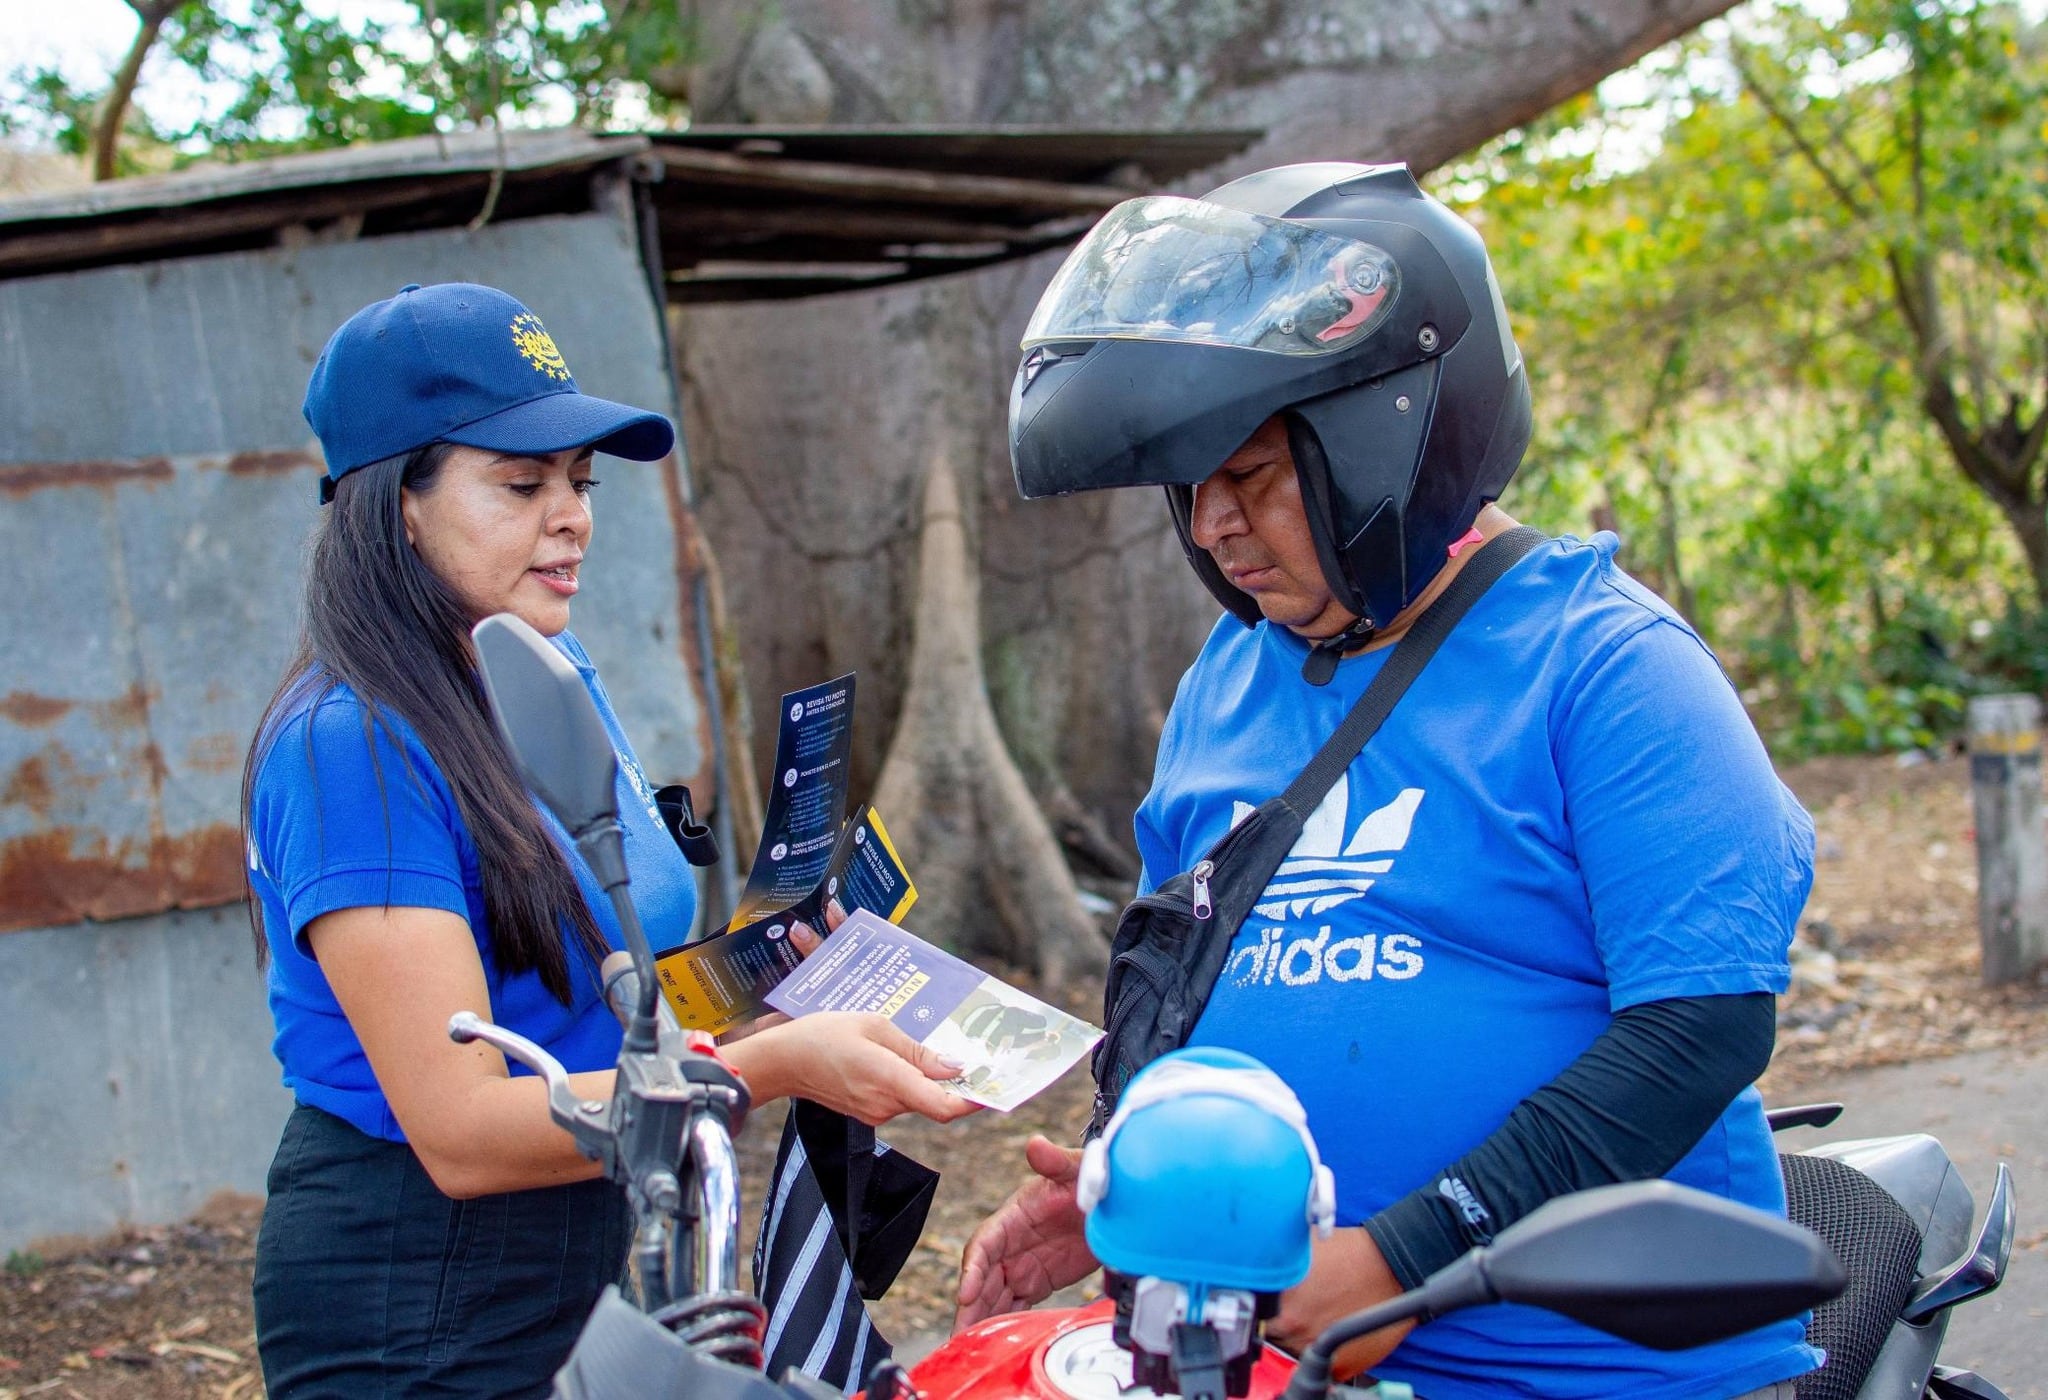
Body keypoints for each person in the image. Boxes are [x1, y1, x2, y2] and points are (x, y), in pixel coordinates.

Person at [955, 165, 1819, 1400]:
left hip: (1602, 1373)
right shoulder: (1226, 683)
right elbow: (1178, 981)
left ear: (1389, 437)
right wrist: (1128, 1178)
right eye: (1189, 490)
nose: (1210, 528)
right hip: (1275, 1363)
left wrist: (1401, 1257)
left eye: (1248, 475)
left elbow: (1699, 1028)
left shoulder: (1605, 662)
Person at [242, 282, 975, 1399]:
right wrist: (768, 1065)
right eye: (522, 483)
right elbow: (463, 1127)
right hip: (427, 1282)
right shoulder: (352, 744)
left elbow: (614, 987)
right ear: (397, 502)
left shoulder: (541, 665)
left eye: (580, 483)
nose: (575, 515)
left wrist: (773, 974)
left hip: (609, 1220)